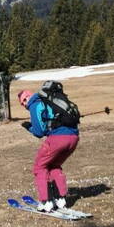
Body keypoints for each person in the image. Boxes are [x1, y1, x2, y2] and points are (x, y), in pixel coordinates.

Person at [17, 83, 80, 213]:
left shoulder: (35, 104)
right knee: (54, 165)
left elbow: (39, 132)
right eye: (22, 104)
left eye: (24, 100)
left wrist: (29, 127)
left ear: (30, 94)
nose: (24, 104)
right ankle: (61, 199)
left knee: (39, 167)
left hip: (58, 139)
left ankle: (46, 202)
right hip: (73, 137)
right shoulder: (49, 101)